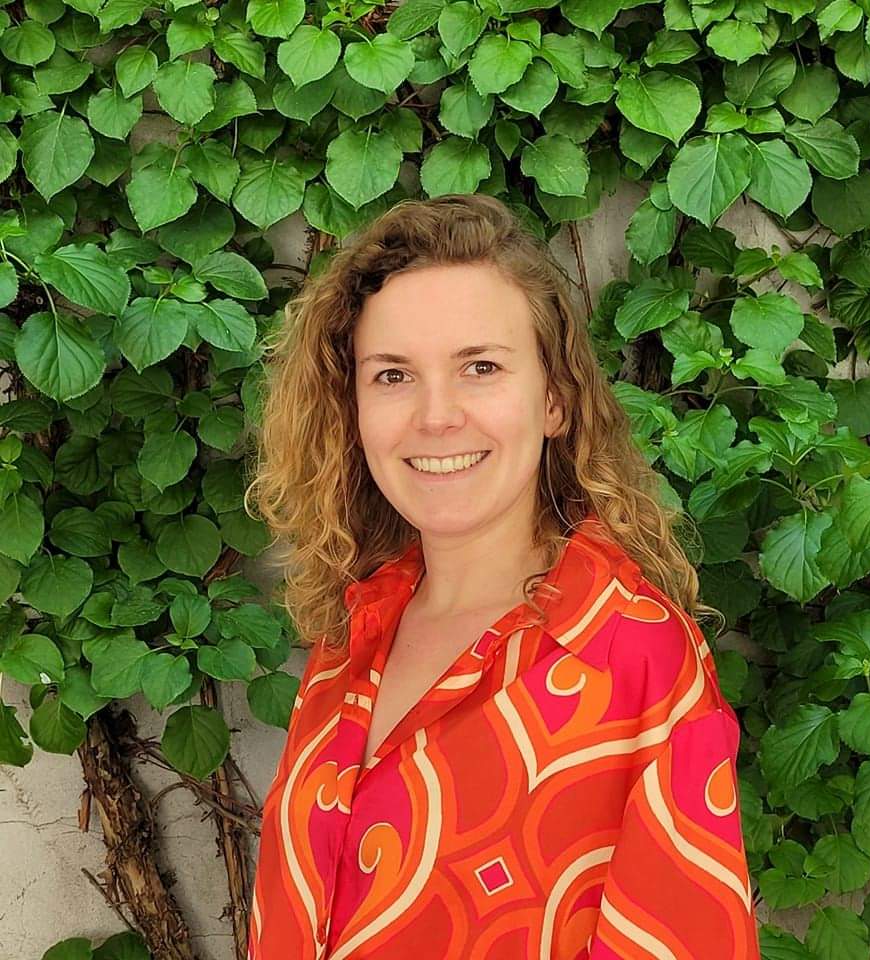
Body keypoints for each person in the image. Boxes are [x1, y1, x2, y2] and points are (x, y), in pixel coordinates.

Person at [244, 194, 761, 959]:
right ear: (350, 406)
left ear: (553, 398)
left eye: (479, 367)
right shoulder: (356, 627)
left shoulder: (632, 655)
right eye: (392, 376)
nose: (436, 415)